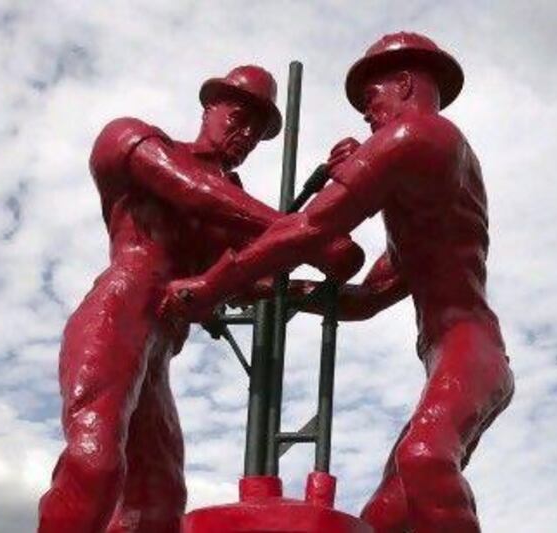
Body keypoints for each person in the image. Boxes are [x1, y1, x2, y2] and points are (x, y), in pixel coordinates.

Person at [158, 33, 515, 533]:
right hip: (450, 354)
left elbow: (311, 228)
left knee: (424, 457)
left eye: (371, 101)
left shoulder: (424, 135)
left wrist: (213, 283)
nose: (368, 117)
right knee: (383, 517)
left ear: (405, 83)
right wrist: (279, 292)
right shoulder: (423, 215)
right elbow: (367, 298)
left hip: (471, 348)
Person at [38, 65, 363, 533]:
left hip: (158, 352)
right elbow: (194, 192)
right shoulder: (133, 138)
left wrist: (337, 208)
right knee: (95, 462)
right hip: (117, 313)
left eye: (257, 128)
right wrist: (315, 236)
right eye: (238, 116)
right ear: (210, 106)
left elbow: (253, 276)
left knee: (160, 500)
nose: (246, 134)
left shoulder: (233, 202)